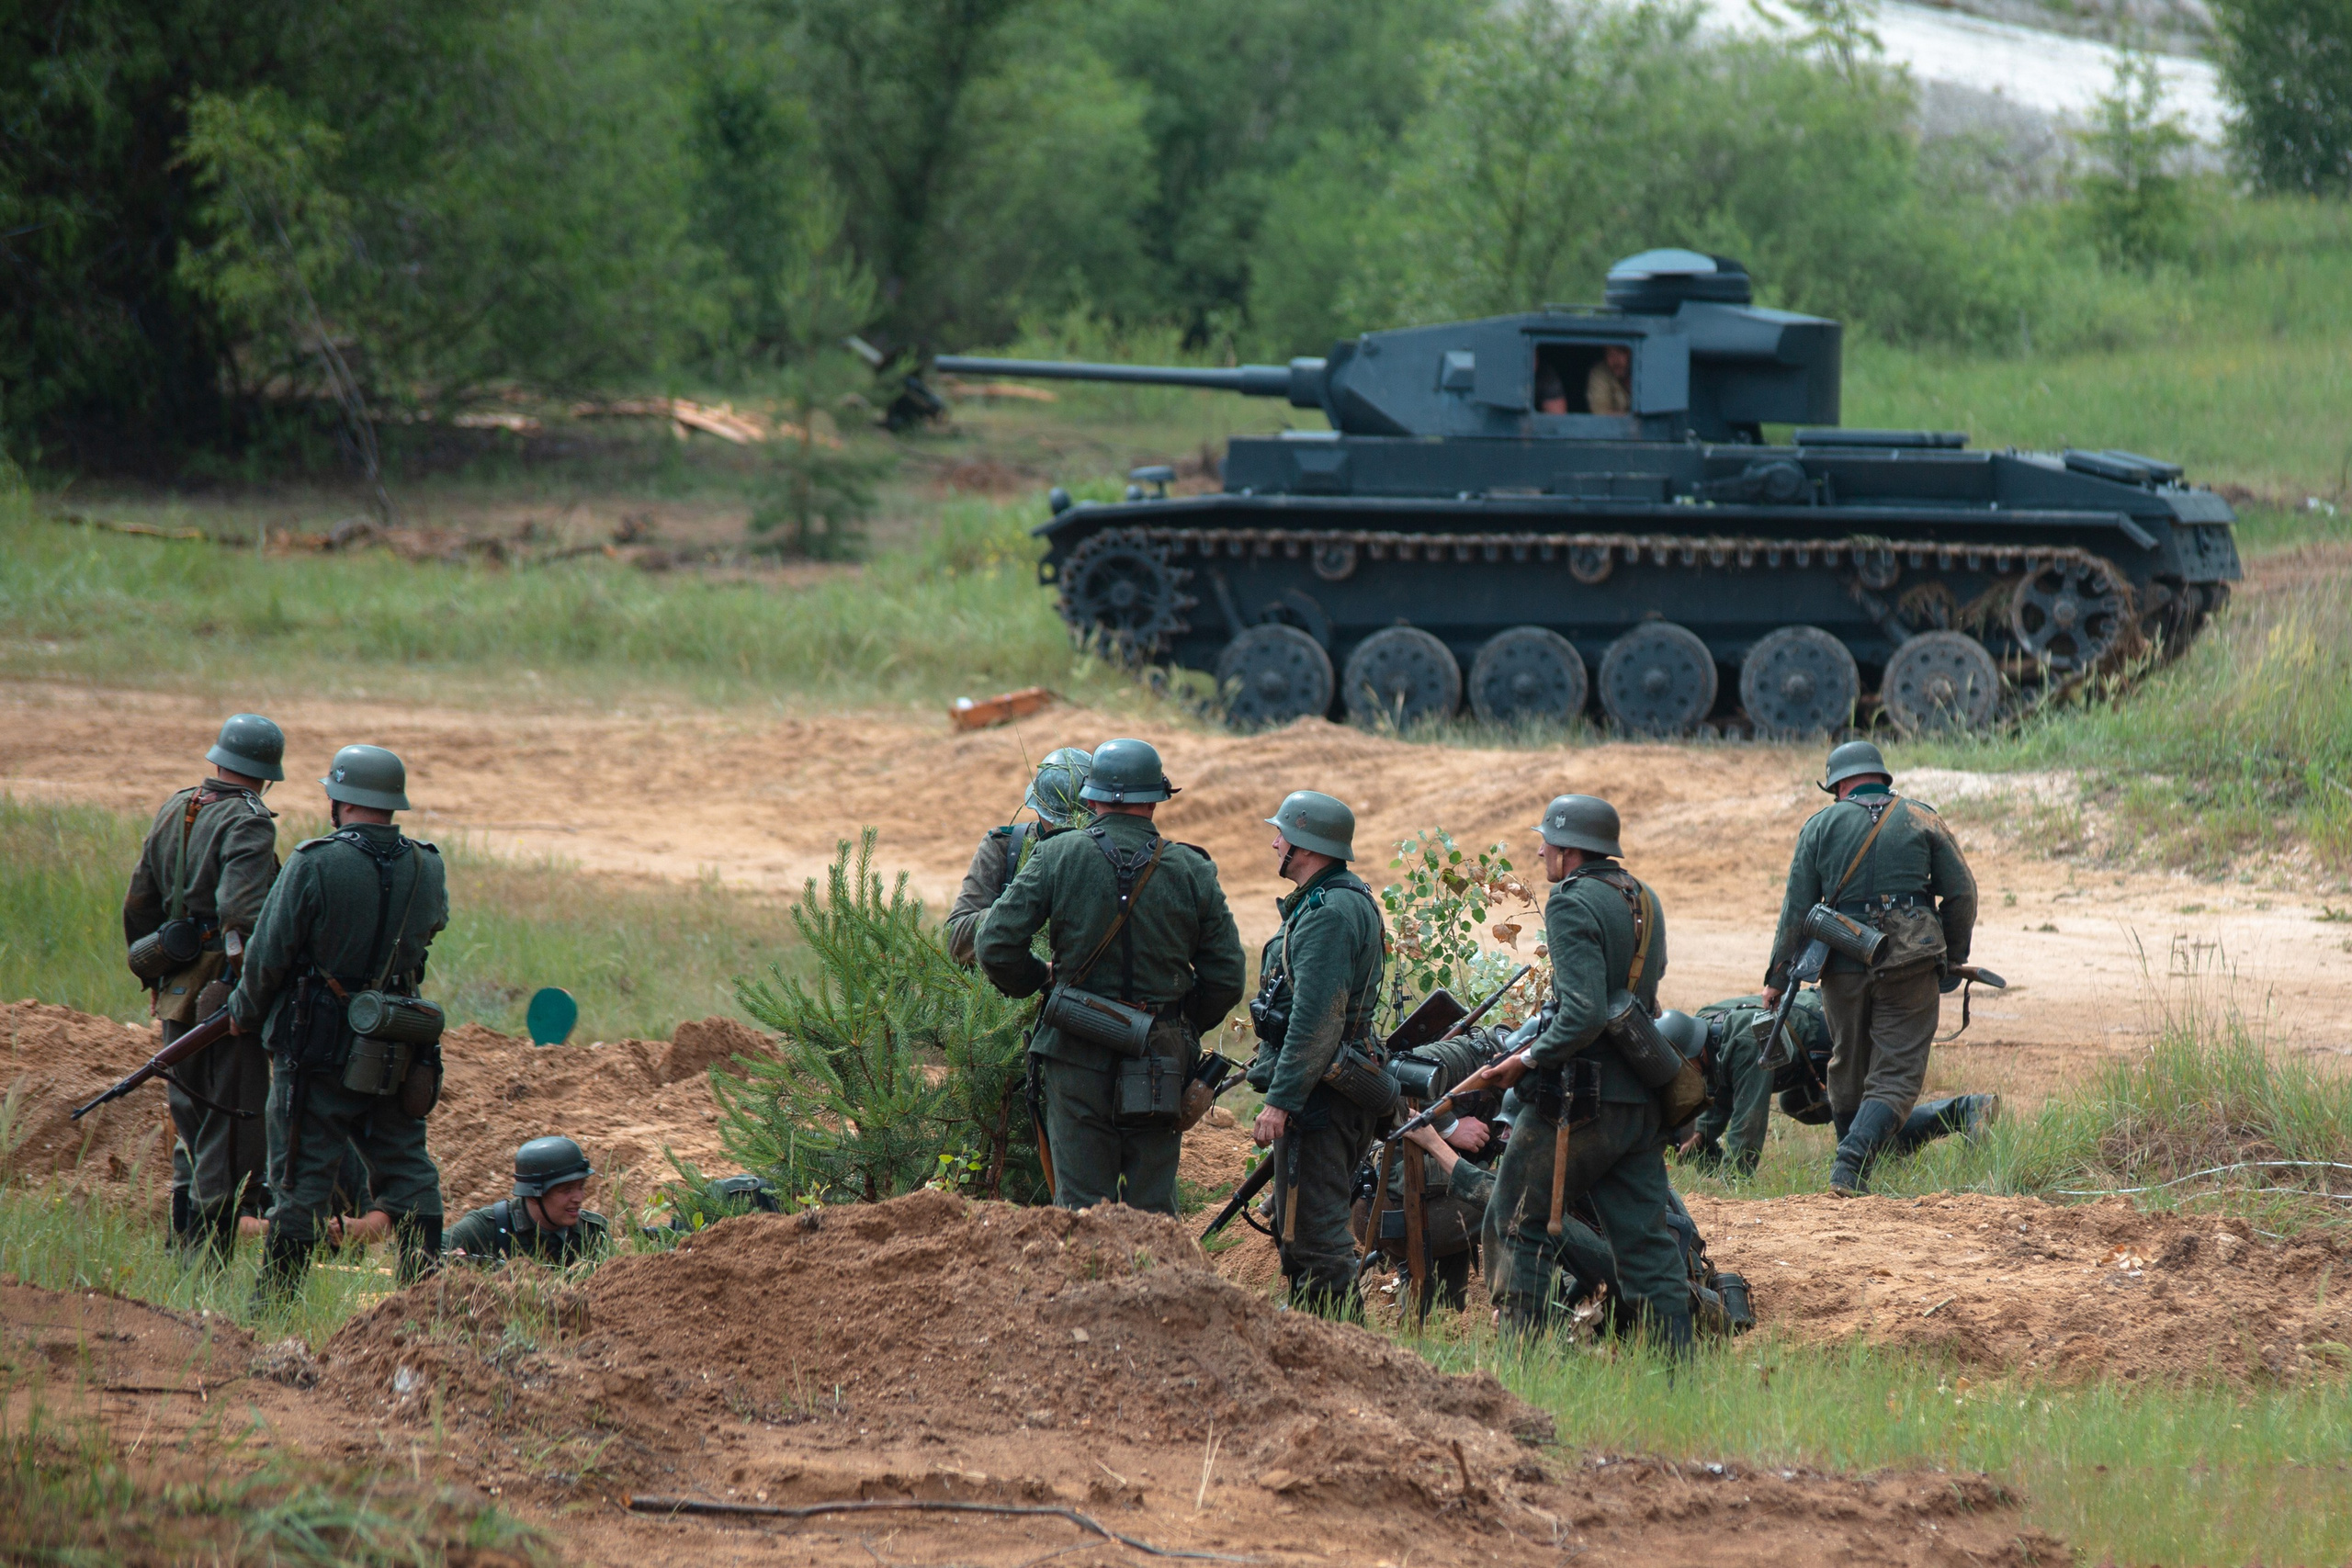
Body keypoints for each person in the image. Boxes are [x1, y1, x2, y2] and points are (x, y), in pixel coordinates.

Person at [977, 738, 1245, 1215]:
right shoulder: (1191, 869)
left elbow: (994, 945)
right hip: (1159, 1057)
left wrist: (1040, 979)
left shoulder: (1058, 855)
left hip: (1074, 1051)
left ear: (1092, 798)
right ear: (1155, 800)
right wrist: (1176, 1025)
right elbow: (1227, 978)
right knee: (1153, 1209)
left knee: (1080, 1210)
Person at [227, 743, 450, 1304]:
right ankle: (423, 1303)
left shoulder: (314, 861)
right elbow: (430, 930)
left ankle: (274, 1310)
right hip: (394, 1044)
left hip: (315, 1050)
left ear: (340, 800)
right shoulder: (427, 865)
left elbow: (268, 955)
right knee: (411, 1173)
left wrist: (244, 1015)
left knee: (299, 1182)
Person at [1472, 794, 1690, 1349]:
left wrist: (1525, 1059)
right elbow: (1650, 981)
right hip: (1640, 1099)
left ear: (1569, 849)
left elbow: (1584, 1014)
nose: (1540, 851)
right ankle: (1678, 1374)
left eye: (1546, 841)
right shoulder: (1643, 897)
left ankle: (1519, 1367)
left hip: (1576, 1102)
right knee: (1647, 1248)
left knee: (1516, 1222)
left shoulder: (1570, 902)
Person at [1763, 740, 1980, 1196]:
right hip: (1911, 961)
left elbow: (1796, 910)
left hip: (1842, 962)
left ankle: (1854, 1172)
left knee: (1847, 1066)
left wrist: (1777, 979)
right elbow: (1962, 893)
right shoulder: (1921, 817)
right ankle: (1851, 1164)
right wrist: (1952, 957)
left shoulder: (1819, 826)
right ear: (1881, 777)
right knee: (1896, 1072)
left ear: (1839, 785)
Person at [122, 713, 286, 1262]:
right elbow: (242, 915)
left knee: (191, 1122)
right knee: (232, 1128)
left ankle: (180, 1252)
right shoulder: (250, 821)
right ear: (266, 774)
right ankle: (206, 1267)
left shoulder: (177, 806)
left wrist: (155, 975)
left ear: (220, 759)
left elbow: (138, 901)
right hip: (225, 994)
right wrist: (252, 991)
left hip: (175, 985)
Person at [1243, 791, 1388, 1316]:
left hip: (1320, 1101)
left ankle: (1345, 1351)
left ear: (1305, 846)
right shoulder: (1330, 899)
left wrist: (1280, 1101)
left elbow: (1316, 1020)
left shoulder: (1330, 913)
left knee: (1317, 1241)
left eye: (1282, 835)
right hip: (1325, 1092)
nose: (1275, 843)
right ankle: (1315, 1344)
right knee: (1302, 1235)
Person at [944, 747, 1092, 965]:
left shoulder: (1107, 853)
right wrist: (1020, 910)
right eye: (1059, 823)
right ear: (1039, 810)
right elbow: (956, 939)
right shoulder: (1003, 847)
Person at [447, 1136, 611, 1265]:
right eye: (566, 1190)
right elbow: (434, 1251)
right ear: (534, 1195)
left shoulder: (594, 1231)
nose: (579, 1198)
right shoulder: (488, 1226)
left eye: (581, 1187)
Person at [1586, 344, 1632, 415]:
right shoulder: (1601, 372)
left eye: (1620, 353)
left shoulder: (1643, 372)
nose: (1615, 360)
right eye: (1610, 354)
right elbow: (1601, 413)